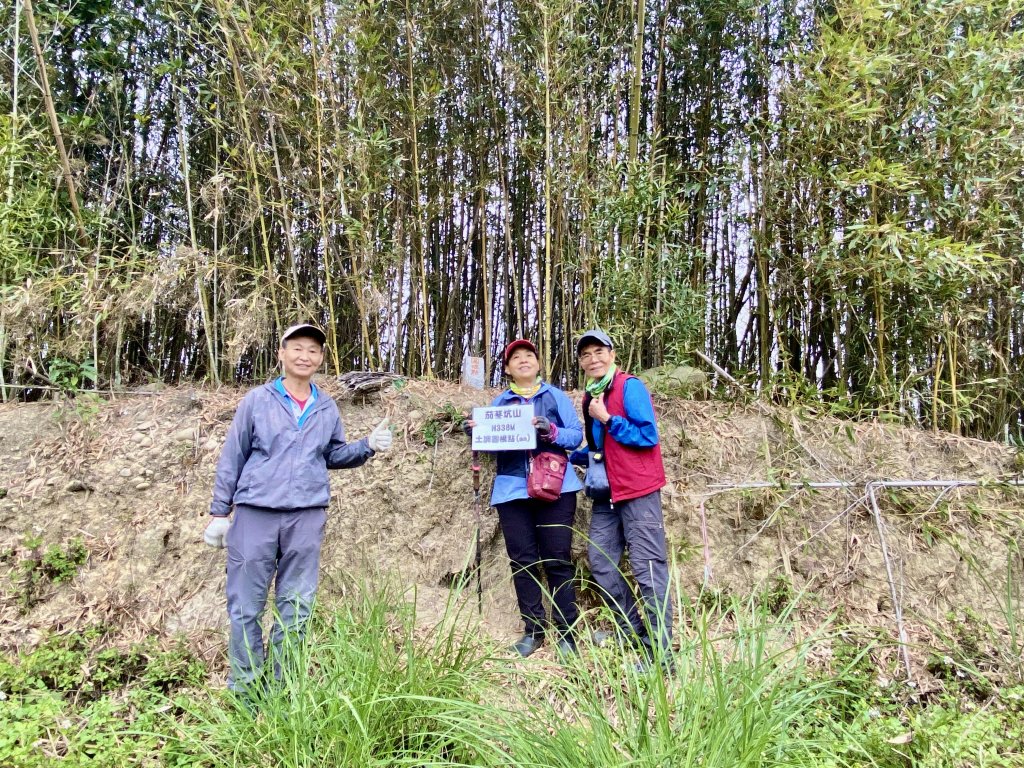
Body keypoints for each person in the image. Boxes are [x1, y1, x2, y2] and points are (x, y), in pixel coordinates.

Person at [203, 322, 393, 691]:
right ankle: (245, 690)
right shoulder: (257, 401)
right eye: (297, 348)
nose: (305, 356)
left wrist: (368, 444)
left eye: (313, 350)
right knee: (245, 607)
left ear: (321, 358)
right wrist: (218, 511)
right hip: (256, 512)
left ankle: (283, 689)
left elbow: (333, 455)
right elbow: (233, 456)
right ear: (282, 353)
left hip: (306, 514)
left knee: (296, 608)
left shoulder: (326, 406)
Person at [465, 339, 584, 657]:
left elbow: (575, 435)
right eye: (515, 358)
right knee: (522, 561)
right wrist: (474, 431)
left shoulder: (555, 396)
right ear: (507, 369)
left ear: (538, 364)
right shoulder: (499, 404)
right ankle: (534, 631)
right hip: (512, 489)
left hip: (556, 486)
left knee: (557, 559)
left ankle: (567, 633)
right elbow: (489, 441)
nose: (523, 360)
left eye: (529, 356)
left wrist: (551, 430)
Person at [572, 329, 673, 669]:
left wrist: (609, 419)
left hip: (638, 490)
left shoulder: (630, 387)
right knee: (601, 560)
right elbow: (600, 450)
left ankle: (662, 656)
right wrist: (566, 453)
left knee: (648, 568)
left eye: (598, 351)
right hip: (607, 495)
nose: (592, 359)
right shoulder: (590, 397)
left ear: (612, 354)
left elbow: (647, 435)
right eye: (585, 355)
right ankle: (632, 632)